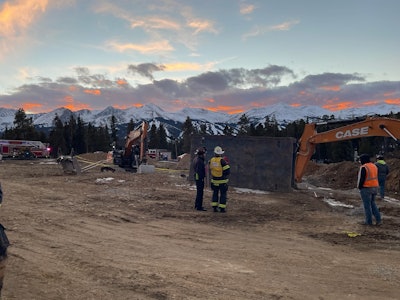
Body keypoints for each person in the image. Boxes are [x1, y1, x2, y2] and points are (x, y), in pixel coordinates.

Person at [357, 154, 382, 226]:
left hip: (366, 188)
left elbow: (361, 179)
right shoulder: (374, 166)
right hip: (375, 187)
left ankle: (369, 222)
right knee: (373, 204)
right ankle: (378, 220)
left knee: (367, 206)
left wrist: (359, 187)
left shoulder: (364, 167)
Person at [209, 146, 230, 213]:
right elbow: (227, 171)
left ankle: (214, 207)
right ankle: (222, 208)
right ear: (221, 153)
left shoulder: (211, 160)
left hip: (214, 180)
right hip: (222, 181)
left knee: (215, 193)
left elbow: (210, 168)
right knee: (223, 194)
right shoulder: (222, 161)